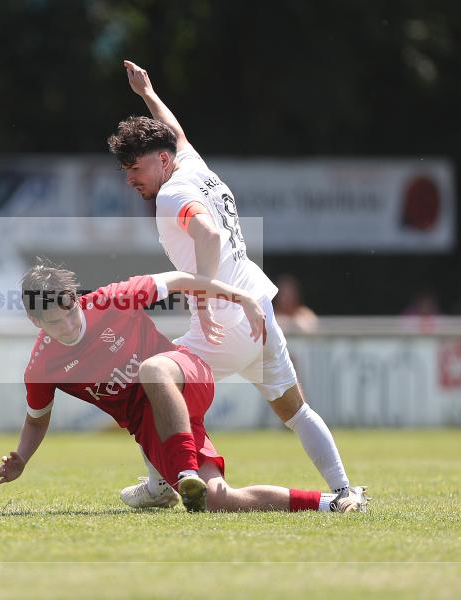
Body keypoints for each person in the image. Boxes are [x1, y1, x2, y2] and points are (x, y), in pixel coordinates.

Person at [107, 60, 356, 508]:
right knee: (296, 411)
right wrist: (147, 93)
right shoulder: (191, 164)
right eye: (124, 169)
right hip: (258, 311)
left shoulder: (172, 194)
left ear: (161, 160)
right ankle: (344, 491)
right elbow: (176, 132)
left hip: (222, 325)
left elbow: (208, 235)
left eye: (134, 167)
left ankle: (160, 486)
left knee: (150, 381)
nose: (129, 178)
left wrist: (202, 303)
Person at [0, 260, 368, 514]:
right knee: (218, 500)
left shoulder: (110, 300)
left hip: (184, 374)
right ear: (35, 321)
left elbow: (179, 280)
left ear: (76, 300)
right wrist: (22, 458)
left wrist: (239, 296)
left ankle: (182, 474)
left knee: (151, 369)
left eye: (70, 313)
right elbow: (36, 419)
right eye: (55, 323)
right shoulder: (42, 366)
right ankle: (332, 503)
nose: (68, 326)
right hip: (151, 424)